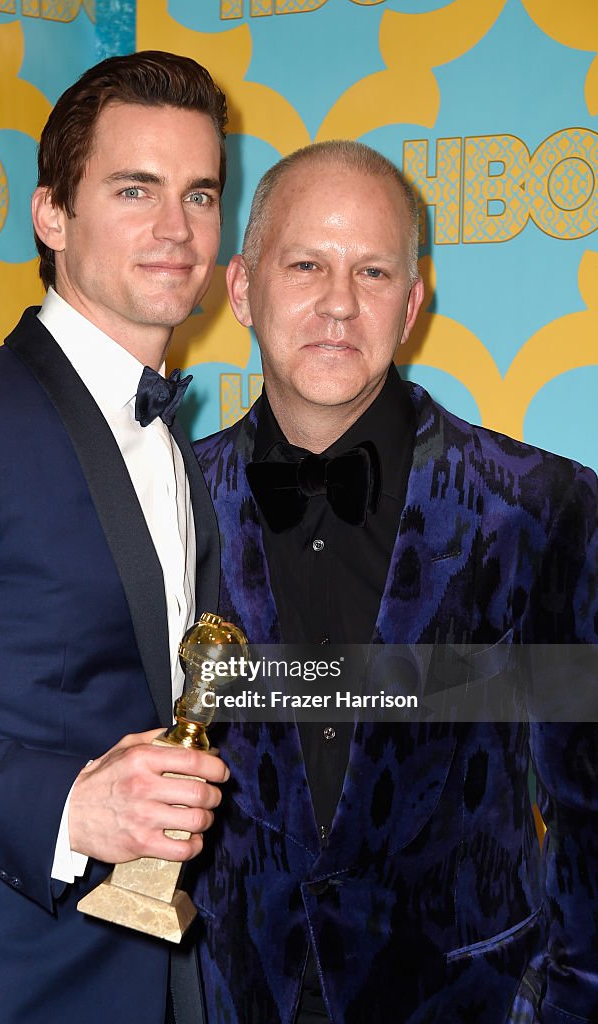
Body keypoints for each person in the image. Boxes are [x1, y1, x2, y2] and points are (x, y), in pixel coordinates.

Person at [191, 141, 598, 1024]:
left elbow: (589, 802)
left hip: (473, 1002)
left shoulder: (541, 507)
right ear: (241, 288)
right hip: (228, 998)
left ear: (411, 305)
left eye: (374, 273)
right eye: (306, 265)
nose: (339, 303)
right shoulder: (169, 503)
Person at [0, 51, 229, 1024]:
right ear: (51, 216)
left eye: (200, 193)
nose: (176, 228)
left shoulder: (173, 448)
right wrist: (68, 804)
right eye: (135, 189)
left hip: (139, 980)